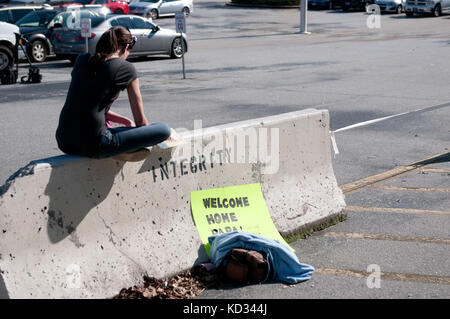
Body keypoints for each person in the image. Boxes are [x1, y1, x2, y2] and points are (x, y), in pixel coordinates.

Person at [56, 26, 171, 161]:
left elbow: (88, 105)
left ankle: (119, 148)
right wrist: (147, 136)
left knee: (118, 131)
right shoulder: (125, 67)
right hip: (94, 145)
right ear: (125, 48)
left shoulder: (81, 60)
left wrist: (125, 121)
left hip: (64, 141)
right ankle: (119, 150)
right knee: (163, 129)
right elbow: (140, 121)